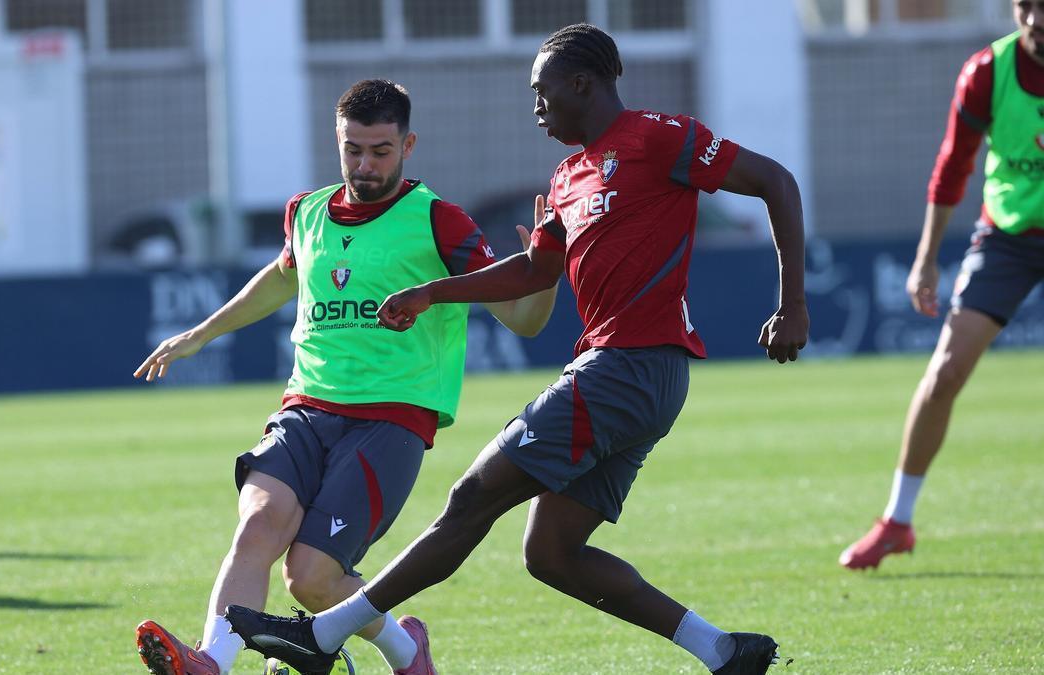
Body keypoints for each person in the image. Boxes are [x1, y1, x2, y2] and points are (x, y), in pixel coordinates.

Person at [226, 24, 808, 675]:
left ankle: (324, 635)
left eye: (543, 91)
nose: (536, 106)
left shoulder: (659, 136)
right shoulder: (566, 177)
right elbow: (533, 273)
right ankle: (721, 649)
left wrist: (792, 304)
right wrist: (433, 292)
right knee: (552, 552)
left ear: (582, 84)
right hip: (622, 374)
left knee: (472, 496)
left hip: (632, 366)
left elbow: (777, 181)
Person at [132, 79, 557, 675]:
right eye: (352, 149)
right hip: (306, 407)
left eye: (380, 151)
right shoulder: (306, 212)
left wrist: (546, 273)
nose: (364, 164)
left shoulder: (438, 221)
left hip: (390, 419)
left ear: (408, 144)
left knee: (310, 579)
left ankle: (408, 652)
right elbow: (280, 279)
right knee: (257, 526)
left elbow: (523, 321)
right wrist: (199, 334)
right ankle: (213, 665)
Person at [838, 0, 1044, 571]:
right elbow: (954, 163)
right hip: (1008, 239)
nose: (1036, 20)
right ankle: (896, 522)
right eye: (1027, 6)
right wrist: (926, 259)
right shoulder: (987, 72)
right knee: (945, 372)